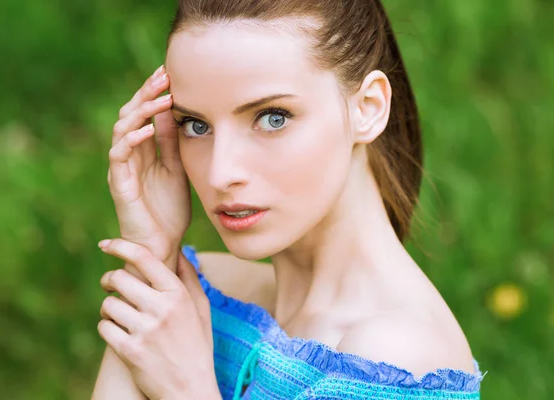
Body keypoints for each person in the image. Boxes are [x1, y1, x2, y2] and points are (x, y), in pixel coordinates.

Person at [91, 0, 486, 398]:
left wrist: (187, 389)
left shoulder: (401, 359)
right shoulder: (203, 293)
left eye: (272, 118)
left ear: (368, 108)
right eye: (196, 125)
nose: (220, 173)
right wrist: (150, 252)